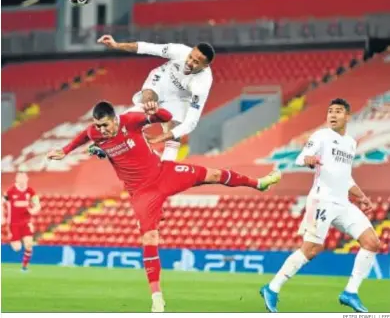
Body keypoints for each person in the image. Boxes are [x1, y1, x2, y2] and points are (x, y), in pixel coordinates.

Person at [47, 100, 281, 313]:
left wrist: (154, 111)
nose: (102, 130)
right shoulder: (95, 133)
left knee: (214, 174)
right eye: (98, 126)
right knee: (149, 238)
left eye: (105, 125)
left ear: (115, 119)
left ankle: (259, 183)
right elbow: (82, 137)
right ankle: (157, 297)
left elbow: (165, 115)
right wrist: (65, 151)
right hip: (141, 193)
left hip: (164, 173)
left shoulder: (130, 121)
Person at [260, 98, 380, 313]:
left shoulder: (350, 143)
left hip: (343, 202)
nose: (332, 115)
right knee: (311, 249)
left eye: (338, 111)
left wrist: (361, 196)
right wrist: (308, 160)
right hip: (321, 200)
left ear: (347, 116)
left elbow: (346, 176)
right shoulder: (322, 136)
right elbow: (300, 158)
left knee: (372, 242)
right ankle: (272, 288)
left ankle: (350, 292)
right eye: (330, 111)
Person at [97, 34, 215, 162]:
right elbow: (147, 47)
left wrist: (159, 139)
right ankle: (108, 140)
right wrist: (117, 45)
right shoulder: (179, 50)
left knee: (174, 132)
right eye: (190, 57)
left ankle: (165, 172)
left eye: (196, 62)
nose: (189, 62)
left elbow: (191, 123)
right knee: (148, 103)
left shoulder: (202, 84)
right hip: (162, 80)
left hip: (181, 97)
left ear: (205, 66)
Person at [2, 172, 41, 272]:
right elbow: (1, 202)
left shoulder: (30, 191)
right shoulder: (11, 191)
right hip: (13, 223)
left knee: (29, 244)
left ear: (27, 179)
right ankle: (10, 237)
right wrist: (1, 216)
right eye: (20, 177)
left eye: (24, 177)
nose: (22, 179)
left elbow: (37, 205)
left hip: (25, 222)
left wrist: (33, 210)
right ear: (16, 179)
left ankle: (24, 267)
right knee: (17, 248)